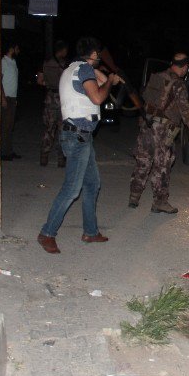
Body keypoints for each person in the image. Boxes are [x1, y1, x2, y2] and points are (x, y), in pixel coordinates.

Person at [37, 37, 124, 254]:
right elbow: (97, 98)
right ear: (94, 54)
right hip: (77, 137)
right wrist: (109, 82)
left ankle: (90, 231)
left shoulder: (73, 68)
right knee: (72, 189)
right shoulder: (84, 70)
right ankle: (47, 233)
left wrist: (105, 74)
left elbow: (102, 80)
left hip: (80, 137)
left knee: (92, 184)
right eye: (98, 54)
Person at [128, 52, 189, 214]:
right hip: (162, 130)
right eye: (187, 67)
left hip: (147, 125)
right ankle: (160, 202)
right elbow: (184, 109)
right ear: (184, 66)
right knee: (162, 165)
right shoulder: (178, 84)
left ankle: (134, 196)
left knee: (143, 161)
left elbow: (146, 99)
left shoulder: (157, 77)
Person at [39, 40, 69, 167]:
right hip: (62, 100)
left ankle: (44, 156)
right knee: (63, 130)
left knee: (49, 129)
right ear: (62, 50)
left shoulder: (46, 63)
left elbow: (40, 81)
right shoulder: (65, 64)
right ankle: (61, 159)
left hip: (50, 98)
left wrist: (49, 85)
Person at [0, 38, 21, 160]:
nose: (18, 51)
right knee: (5, 126)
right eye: (17, 48)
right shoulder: (3, 61)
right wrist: (2, 98)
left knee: (10, 126)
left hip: (12, 97)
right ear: (12, 49)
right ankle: (3, 153)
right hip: (6, 97)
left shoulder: (13, 62)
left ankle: (9, 150)